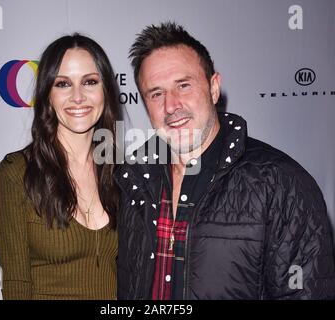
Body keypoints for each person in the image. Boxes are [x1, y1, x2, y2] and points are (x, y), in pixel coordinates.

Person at [114, 22, 335, 299]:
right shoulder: (133, 181)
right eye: (156, 93)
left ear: (214, 87)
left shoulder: (283, 184)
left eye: (183, 85)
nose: (171, 106)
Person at [0, 33, 120, 300]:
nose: (78, 96)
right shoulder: (16, 173)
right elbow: (16, 285)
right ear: (47, 95)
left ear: (105, 90)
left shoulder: (121, 173)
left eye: (90, 82)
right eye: (63, 84)